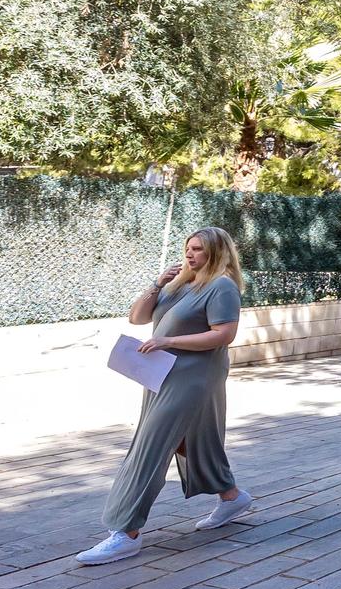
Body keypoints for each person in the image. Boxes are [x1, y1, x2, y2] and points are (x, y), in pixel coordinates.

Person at [77, 227, 254, 565]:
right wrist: (158, 284)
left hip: (194, 377)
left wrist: (168, 341)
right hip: (162, 374)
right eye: (188, 248)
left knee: (151, 444)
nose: (190, 255)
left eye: (199, 250)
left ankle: (125, 532)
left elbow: (224, 335)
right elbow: (138, 317)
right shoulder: (180, 285)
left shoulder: (222, 287)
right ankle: (231, 497)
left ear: (216, 252)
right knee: (193, 440)